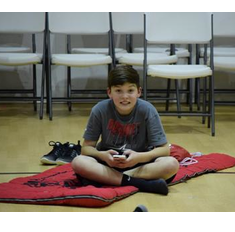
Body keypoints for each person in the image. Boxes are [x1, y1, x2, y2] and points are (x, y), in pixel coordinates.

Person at [72, 65, 179, 195]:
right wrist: (103, 156)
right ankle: (140, 184)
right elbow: (86, 148)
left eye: (130, 90)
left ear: (139, 92)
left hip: (140, 163)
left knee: (171, 164)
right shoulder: (99, 110)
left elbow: (164, 149)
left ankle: (112, 179)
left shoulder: (148, 110)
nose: (125, 96)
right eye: (118, 91)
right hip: (108, 163)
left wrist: (139, 157)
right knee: (78, 162)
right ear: (109, 92)